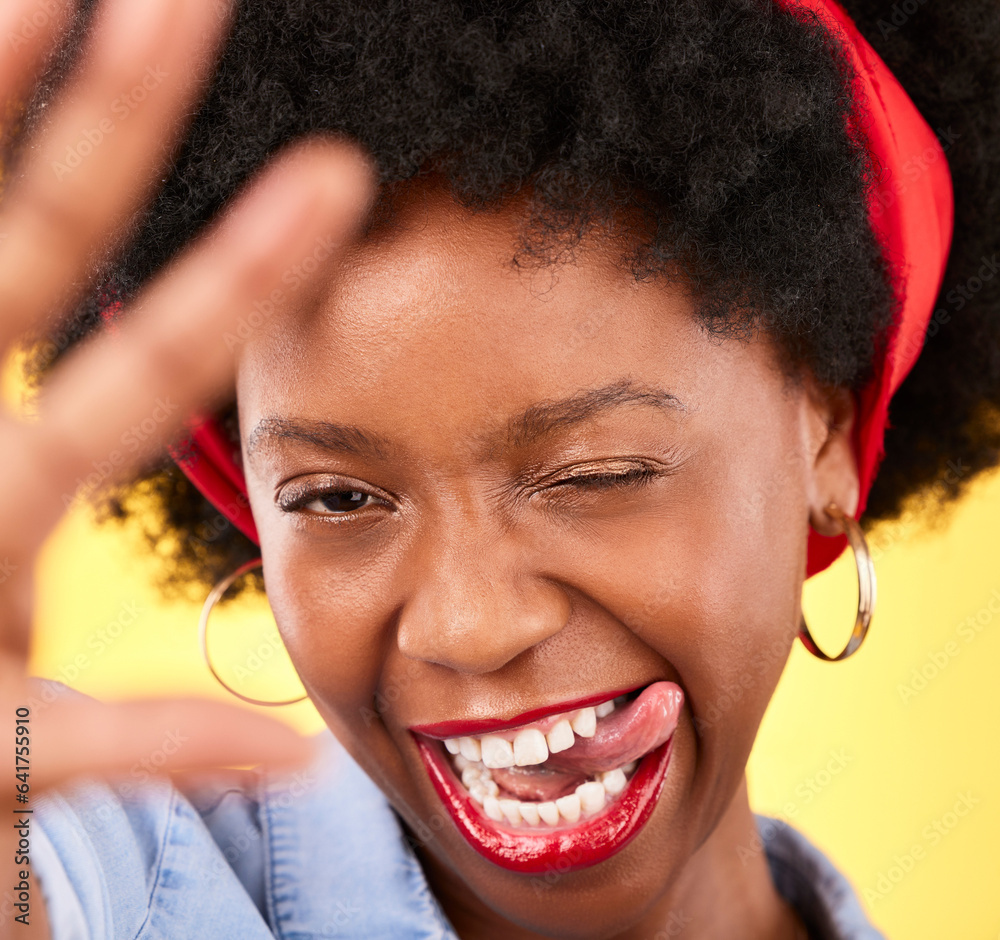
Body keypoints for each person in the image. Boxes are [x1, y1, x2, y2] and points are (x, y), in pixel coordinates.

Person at [0, 0, 996, 937]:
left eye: (594, 473)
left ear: (825, 428)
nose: (469, 628)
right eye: (338, 496)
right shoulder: (117, 877)